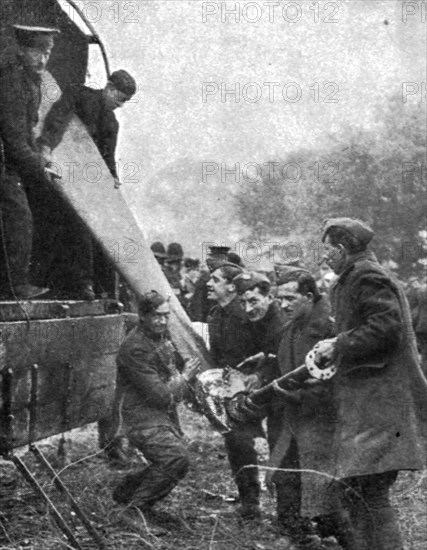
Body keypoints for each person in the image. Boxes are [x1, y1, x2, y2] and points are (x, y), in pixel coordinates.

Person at [314, 217, 427, 550]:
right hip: (372, 402)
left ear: (342, 247)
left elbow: (384, 327)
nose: (324, 258)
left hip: (380, 404)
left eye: (327, 250)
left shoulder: (366, 276)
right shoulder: (357, 276)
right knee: (360, 489)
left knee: (369, 490)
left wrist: (338, 344)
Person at [39, 69, 137, 299]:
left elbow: (107, 156)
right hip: (61, 170)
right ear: (109, 88)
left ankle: (88, 284)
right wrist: (46, 146)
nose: (120, 105)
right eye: (120, 99)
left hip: (85, 183)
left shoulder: (112, 123)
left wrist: (112, 176)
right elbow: (58, 118)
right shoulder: (78, 95)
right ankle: (80, 283)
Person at [112, 290, 201, 522]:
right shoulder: (135, 347)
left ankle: (128, 490)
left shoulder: (158, 337)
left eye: (165, 316)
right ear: (143, 316)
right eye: (156, 316)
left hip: (159, 416)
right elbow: (160, 395)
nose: (162, 321)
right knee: (175, 459)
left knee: (175, 460)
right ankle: (134, 509)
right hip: (140, 418)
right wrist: (185, 377)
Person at [271, 266, 335, 547]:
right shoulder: (290, 328)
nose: (282, 305)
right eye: (279, 299)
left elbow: (338, 384)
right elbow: (286, 366)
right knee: (287, 474)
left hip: (322, 422)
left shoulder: (330, 331)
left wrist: (300, 397)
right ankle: (300, 534)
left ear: (309, 296)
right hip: (293, 418)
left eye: (289, 298)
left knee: (326, 492)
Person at [0, 25, 62, 299]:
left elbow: (26, 134)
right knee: (18, 218)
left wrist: (41, 158)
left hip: (10, 164)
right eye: (38, 51)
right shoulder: (12, 82)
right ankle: (14, 286)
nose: (43, 59)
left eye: (47, 52)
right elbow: (14, 141)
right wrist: (39, 167)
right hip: (4, 164)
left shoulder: (30, 82)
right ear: (23, 50)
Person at [206, 262, 264, 519]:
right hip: (229, 388)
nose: (209, 283)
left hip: (252, 387)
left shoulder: (246, 315)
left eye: (215, 279)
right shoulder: (216, 314)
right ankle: (249, 500)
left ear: (231, 286)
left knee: (241, 441)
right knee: (236, 441)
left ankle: (252, 502)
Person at [233, 271, 286, 452]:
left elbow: (284, 361)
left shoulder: (280, 323)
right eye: (243, 302)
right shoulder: (262, 318)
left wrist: (260, 374)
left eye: (253, 301)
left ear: (269, 297)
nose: (248, 309)